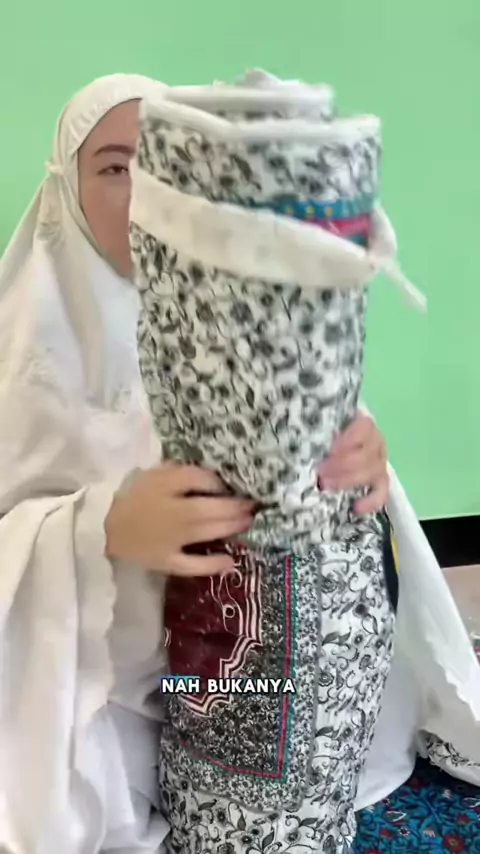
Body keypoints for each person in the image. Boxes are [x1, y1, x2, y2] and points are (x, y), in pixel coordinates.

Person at [0, 75, 393, 854]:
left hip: (230, 688)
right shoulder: (19, 353)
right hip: (89, 696)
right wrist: (101, 528)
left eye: (163, 169)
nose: (143, 194)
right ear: (68, 187)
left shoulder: (239, 326)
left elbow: (319, 480)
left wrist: (364, 458)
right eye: (116, 168)